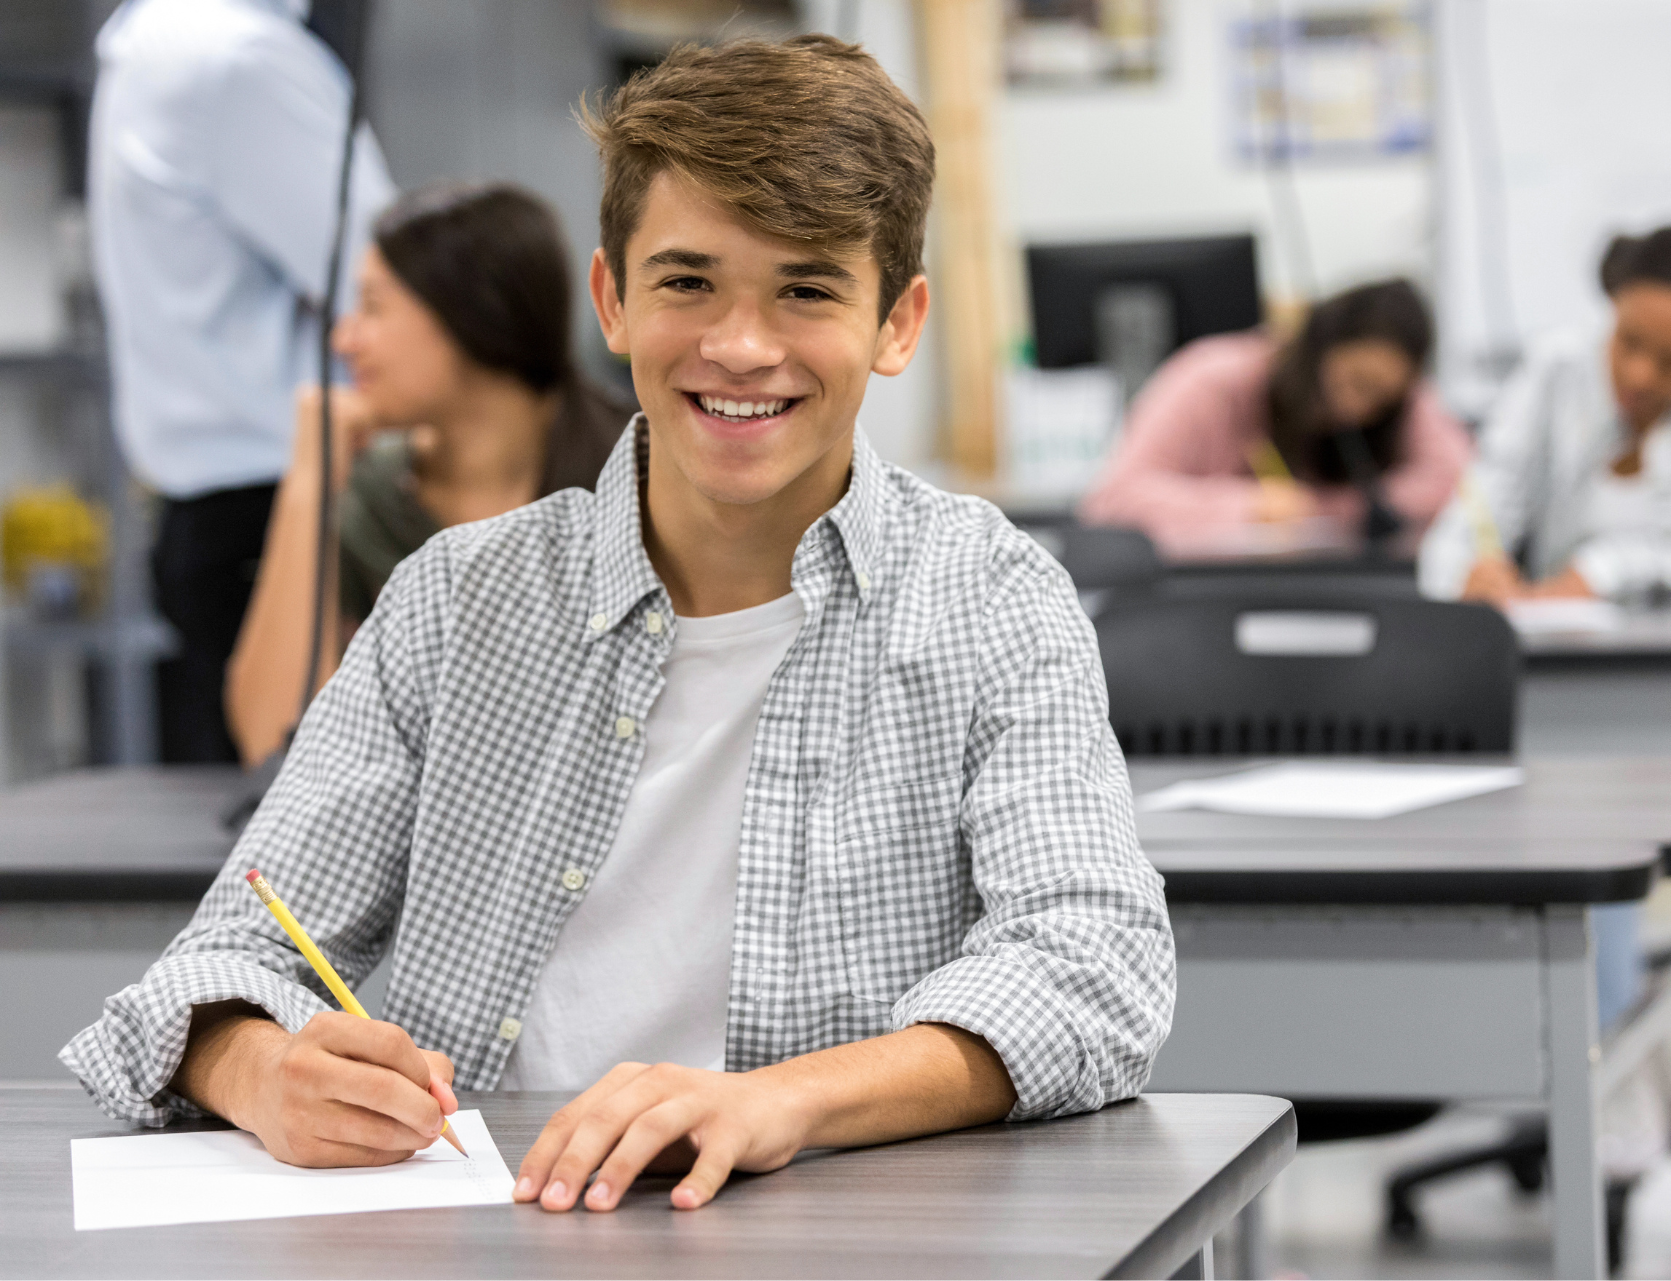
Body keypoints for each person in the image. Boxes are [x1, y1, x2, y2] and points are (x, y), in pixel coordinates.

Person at [63, 35, 1175, 1216]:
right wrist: (260, 1069)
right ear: (612, 300)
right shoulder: (457, 601)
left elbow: (1095, 968)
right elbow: (221, 963)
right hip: (492, 1231)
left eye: (806, 290)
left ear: (898, 324)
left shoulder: (993, 599)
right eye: (688, 283)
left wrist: (785, 1100)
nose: (740, 347)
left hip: (829, 1238)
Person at [224, 183, 630, 768]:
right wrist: (308, 485)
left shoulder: (640, 472)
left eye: (372, 307)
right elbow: (272, 739)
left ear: (472, 310)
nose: (344, 339)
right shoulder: (370, 497)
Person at [91, 0, 395, 762]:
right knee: (306, 804)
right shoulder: (240, 58)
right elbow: (391, 287)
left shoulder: (157, 39)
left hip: (213, 513)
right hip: (278, 506)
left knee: (250, 804)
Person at [1419, 224, 1671, 606]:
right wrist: (1466, 577)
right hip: (1563, 643)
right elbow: (1468, 524)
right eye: (1628, 341)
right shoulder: (1556, 369)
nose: (1641, 376)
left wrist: (1620, 570)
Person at [1078, 278, 1472, 553]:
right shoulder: (1212, 379)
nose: (1359, 410)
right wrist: (1251, 507)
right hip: (1210, 599)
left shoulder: (1399, 395)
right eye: (1356, 382)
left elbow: (1461, 483)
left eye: (1382, 401)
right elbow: (1112, 501)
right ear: (1318, 346)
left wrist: (1325, 506)